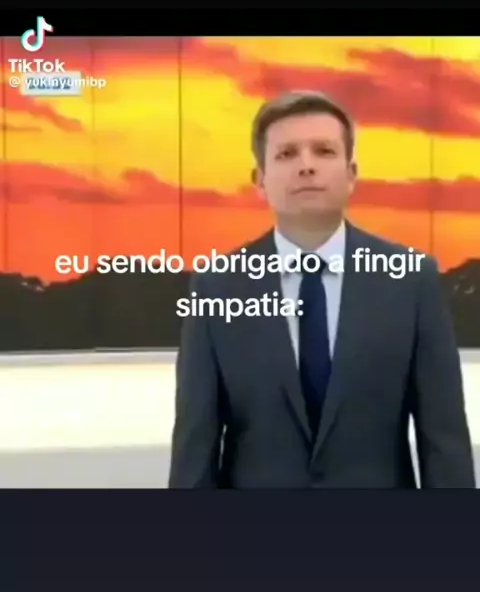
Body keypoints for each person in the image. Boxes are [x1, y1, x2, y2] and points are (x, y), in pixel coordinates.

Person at [168, 90, 476, 488]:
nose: (306, 166)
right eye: (287, 154)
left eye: (324, 151)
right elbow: (195, 443)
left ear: (351, 174)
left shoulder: (411, 279)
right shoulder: (217, 286)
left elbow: (444, 440)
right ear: (260, 180)